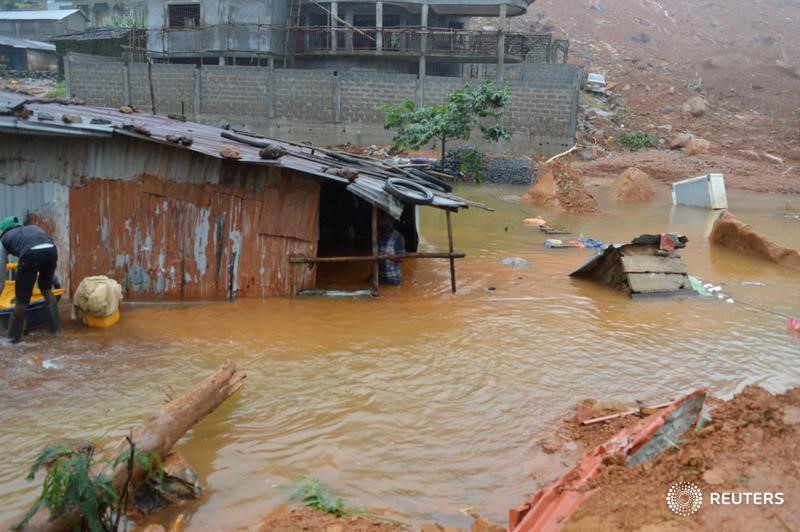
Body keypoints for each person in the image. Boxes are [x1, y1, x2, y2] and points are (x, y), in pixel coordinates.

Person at [0, 216, 60, 343]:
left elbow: (1, 267)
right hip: (51, 251)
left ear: (3, 230)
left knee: (22, 301)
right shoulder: (34, 228)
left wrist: (1, 290)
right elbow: (45, 250)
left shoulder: (4, 238)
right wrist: (55, 281)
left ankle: (11, 341)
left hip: (29, 255)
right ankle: (56, 332)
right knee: (46, 290)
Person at [377, 211, 405, 286]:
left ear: (390, 221)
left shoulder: (398, 237)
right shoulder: (377, 235)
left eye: (383, 219)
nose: (379, 221)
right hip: (380, 277)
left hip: (393, 278)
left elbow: (401, 258)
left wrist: (387, 256)